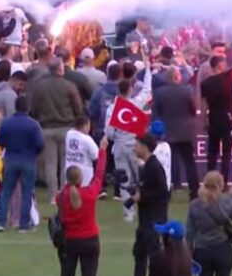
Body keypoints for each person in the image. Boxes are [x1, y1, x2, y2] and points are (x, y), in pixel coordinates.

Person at [57, 136, 108, 276]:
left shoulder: (62, 196)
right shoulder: (89, 194)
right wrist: (102, 151)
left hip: (70, 241)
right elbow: (99, 174)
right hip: (90, 240)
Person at [120, 133, 170, 276]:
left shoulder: (154, 167)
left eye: (137, 145)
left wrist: (142, 197)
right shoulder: (146, 167)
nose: (134, 148)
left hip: (154, 219)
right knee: (140, 252)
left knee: (154, 255)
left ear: (145, 147)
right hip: (145, 218)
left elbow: (163, 193)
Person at [30, 59, 84, 203]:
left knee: (50, 164)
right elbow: (78, 107)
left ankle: (53, 195)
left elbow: (34, 107)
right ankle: (65, 192)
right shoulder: (69, 86)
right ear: (60, 69)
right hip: (67, 127)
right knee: (66, 162)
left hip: (47, 128)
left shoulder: (39, 87)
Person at [106, 67, 152, 220]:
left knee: (124, 179)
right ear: (130, 89)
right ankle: (143, 208)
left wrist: (117, 136)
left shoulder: (113, 108)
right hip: (134, 146)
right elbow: (146, 91)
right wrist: (148, 71)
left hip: (120, 146)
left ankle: (128, 214)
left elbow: (109, 132)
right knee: (139, 178)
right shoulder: (135, 103)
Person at [0, 96, 43, 232]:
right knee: (27, 192)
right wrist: (33, 152)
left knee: (6, 192)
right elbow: (40, 143)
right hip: (28, 159)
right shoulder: (33, 124)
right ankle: (24, 223)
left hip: (11, 159)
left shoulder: (6, 123)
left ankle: (1, 222)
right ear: (28, 107)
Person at [153, 67, 200, 196]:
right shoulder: (187, 91)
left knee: (171, 160)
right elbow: (193, 109)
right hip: (186, 131)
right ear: (177, 77)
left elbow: (156, 113)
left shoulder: (159, 93)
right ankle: (194, 189)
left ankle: (174, 184)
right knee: (189, 161)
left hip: (169, 130)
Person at [200, 55, 232, 184]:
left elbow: (203, 104)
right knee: (226, 152)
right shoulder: (227, 78)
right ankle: (224, 181)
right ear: (219, 65)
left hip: (213, 118)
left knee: (212, 151)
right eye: (224, 63)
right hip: (227, 117)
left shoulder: (205, 83)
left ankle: (210, 180)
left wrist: (204, 119)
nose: (226, 65)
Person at [64, 116, 99, 195]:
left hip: (69, 169)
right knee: (83, 194)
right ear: (85, 126)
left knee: (69, 193)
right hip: (84, 171)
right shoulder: (87, 139)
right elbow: (96, 155)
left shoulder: (69, 134)